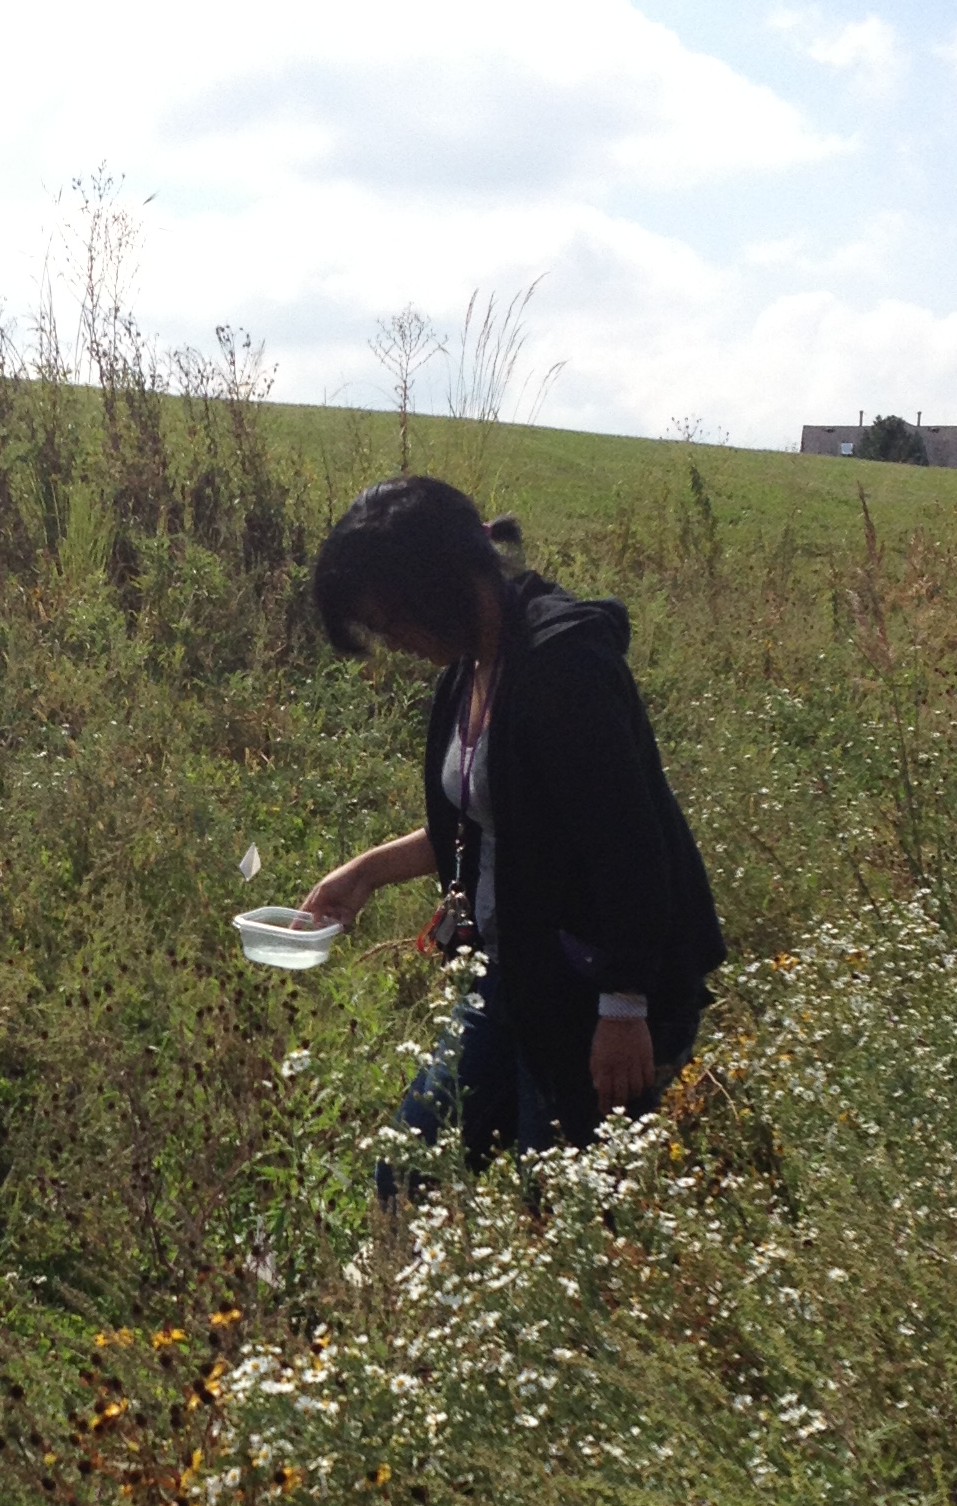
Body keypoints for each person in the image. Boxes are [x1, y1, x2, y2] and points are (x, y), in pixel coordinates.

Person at [303, 474, 723, 1166]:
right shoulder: (469, 668)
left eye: (393, 621)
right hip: (519, 974)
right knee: (407, 1171)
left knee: (564, 1216)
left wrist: (624, 1007)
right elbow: (500, 818)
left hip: (600, 991)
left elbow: (629, 845)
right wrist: (365, 873)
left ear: (439, 584)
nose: (395, 642)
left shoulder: (566, 672)